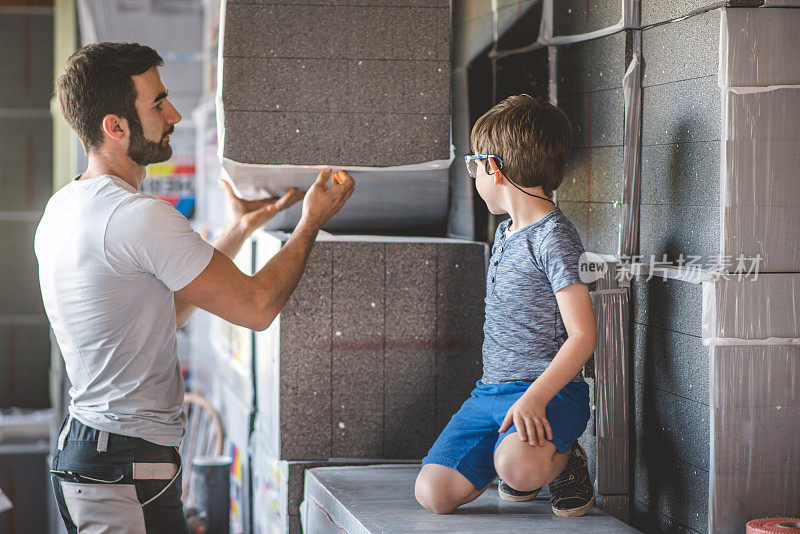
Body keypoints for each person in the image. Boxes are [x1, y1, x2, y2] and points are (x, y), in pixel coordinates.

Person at [35, 42, 353, 533]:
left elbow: (168, 307)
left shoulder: (66, 208)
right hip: (120, 467)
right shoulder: (136, 216)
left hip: (107, 460)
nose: (175, 114)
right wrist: (311, 221)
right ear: (114, 127)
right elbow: (257, 305)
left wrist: (241, 230)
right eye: (158, 103)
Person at [414, 94, 597, 517]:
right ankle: (516, 462)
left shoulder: (555, 238)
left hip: (549, 394)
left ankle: (562, 460)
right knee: (434, 494)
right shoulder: (507, 230)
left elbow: (584, 335)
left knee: (516, 467)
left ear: (492, 167)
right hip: (490, 393)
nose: (474, 175)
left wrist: (534, 398)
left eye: (473, 165)